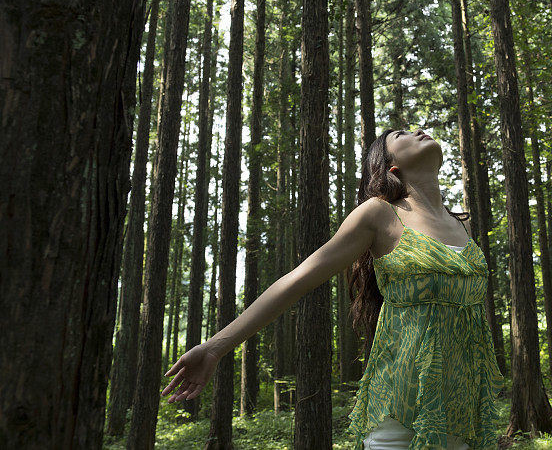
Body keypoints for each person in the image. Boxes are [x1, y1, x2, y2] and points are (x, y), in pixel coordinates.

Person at [161, 128, 504, 449]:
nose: (417, 130)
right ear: (391, 167)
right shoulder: (379, 213)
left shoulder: (464, 223)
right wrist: (214, 348)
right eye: (400, 134)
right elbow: (297, 279)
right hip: (399, 406)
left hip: (461, 402)